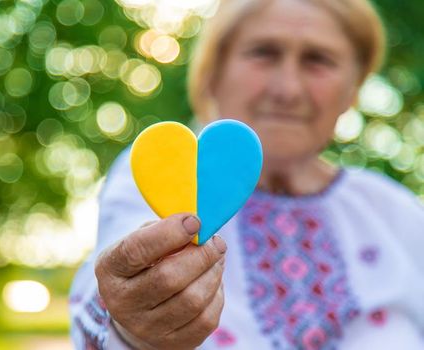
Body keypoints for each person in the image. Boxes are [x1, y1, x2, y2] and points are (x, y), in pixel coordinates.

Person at [68, 0, 424, 349]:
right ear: (213, 74)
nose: (287, 89)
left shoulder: (396, 214)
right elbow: (104, 300)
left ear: (353, 89)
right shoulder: (166, 174)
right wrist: (132, 329)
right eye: (264, 53)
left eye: (318, 60)